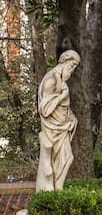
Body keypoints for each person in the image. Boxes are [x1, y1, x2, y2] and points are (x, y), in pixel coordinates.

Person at [36, 50, 81, 192]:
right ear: (65, 61)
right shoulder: (51, 80)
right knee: (60, 160)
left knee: (66, 159)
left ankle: (57, 190)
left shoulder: (61, 79)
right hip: (53, 128)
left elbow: (63, 106)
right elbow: (44, 109)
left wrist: (71, 116)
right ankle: (52, 191)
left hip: (62, 125)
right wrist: (62, 97)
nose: (73, 69)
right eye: (72, 65)